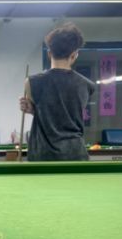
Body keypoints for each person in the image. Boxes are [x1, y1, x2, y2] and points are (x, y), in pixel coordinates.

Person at [20, 23, 95, 161]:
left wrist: (33, 110)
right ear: (74, 55)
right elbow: (66, 116)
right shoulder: (87, 85)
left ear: (49, 54)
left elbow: (53, 116)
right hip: (75, 155)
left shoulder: (31, 82)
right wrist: (35, 111)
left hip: (43, 155)